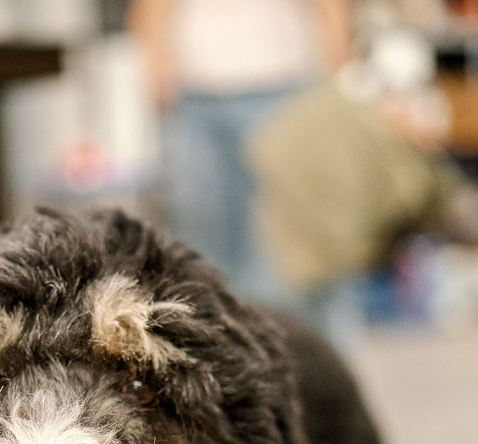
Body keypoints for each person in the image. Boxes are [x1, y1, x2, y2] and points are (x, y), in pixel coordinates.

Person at [128, 0, 352, 312]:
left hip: (284, 85)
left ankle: (299, 341)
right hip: (193, 92)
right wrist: (153, 58)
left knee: (287, 257)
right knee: (201, 253)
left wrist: (337, 78)